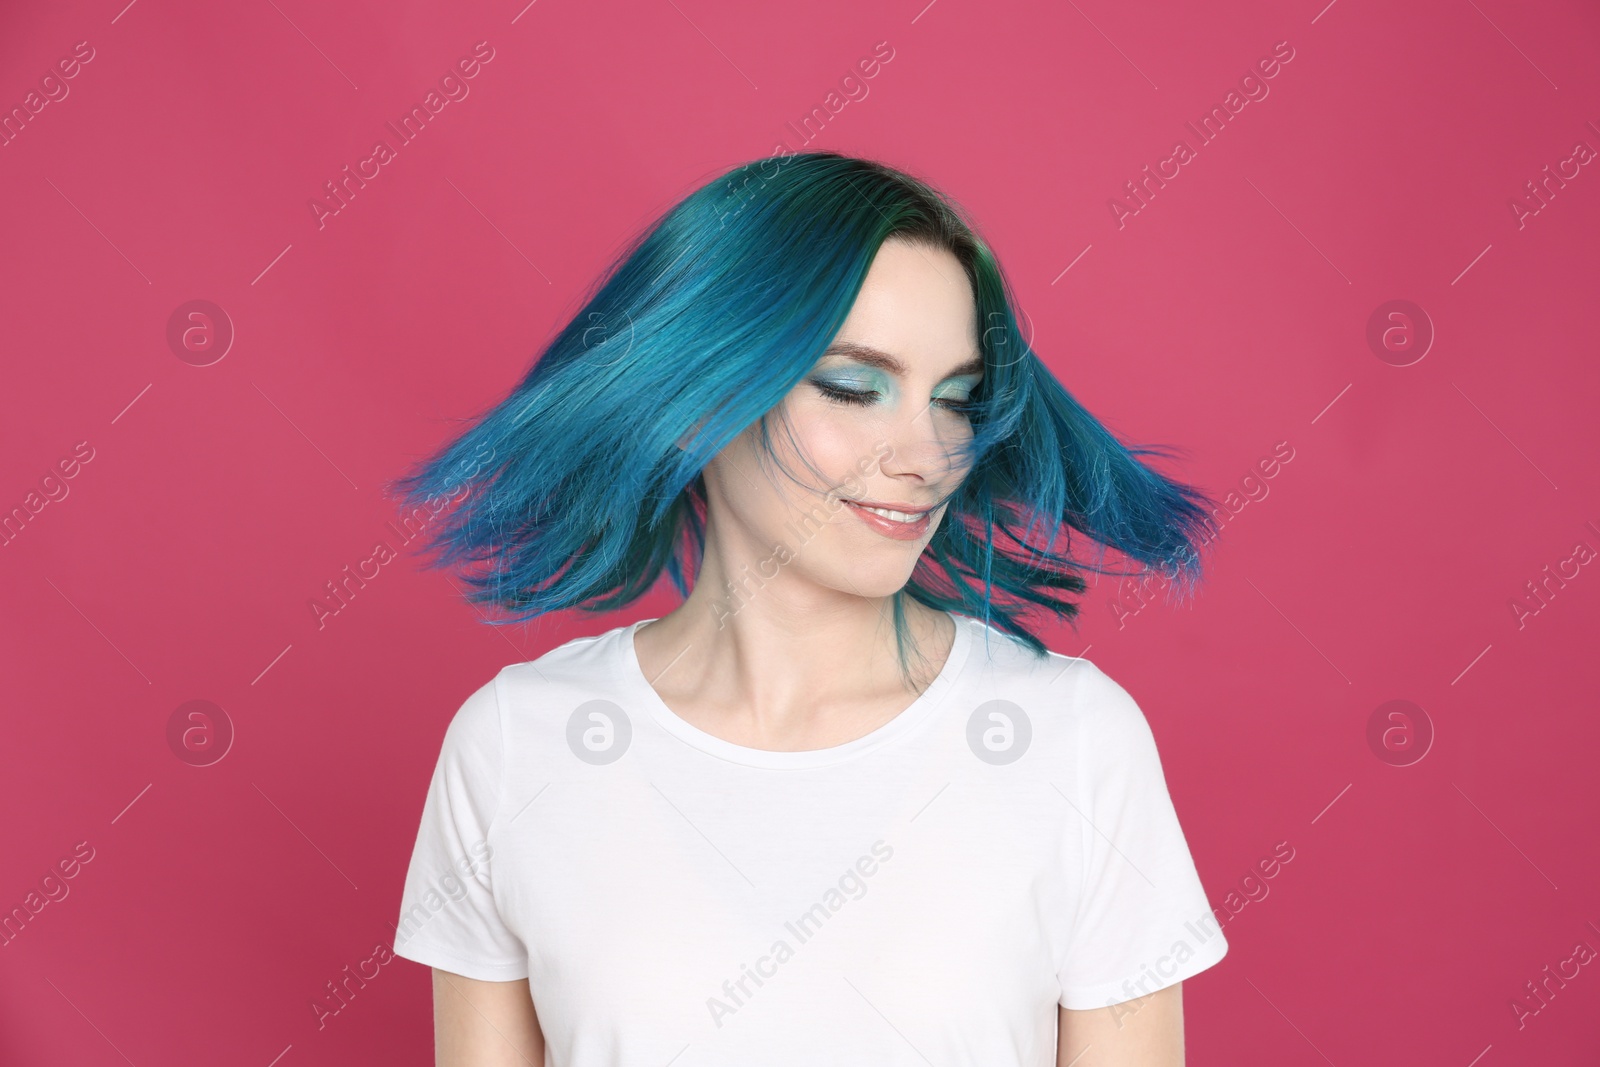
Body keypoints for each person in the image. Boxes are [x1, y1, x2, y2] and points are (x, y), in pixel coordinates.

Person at [387, 151, 1227, 1066]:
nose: (929, 454)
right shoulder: (517, 744)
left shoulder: (1070, 737)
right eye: (855, 388)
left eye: (956, 399)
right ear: (695, 396)